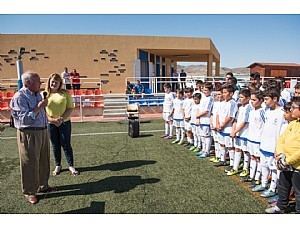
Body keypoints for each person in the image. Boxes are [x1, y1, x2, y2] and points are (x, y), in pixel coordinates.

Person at [9, 70, 55, 205]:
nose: (41, 83)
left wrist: (46, 129)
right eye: (38, 81)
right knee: (29, 163)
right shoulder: (20, 97)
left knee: (43, 161)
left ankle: (43, 185)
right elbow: (24, 120)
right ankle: (30, 192)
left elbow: (42, 115)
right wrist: (38, 107)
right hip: (29, 133)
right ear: (28, 83)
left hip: (42, 131)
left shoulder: (37, 95)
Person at [265, 96, 300, 214]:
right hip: (285, 162)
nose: (290, 110)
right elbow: (281, 139)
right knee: (283, 186)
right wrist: (280, 155)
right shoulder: (293, 123)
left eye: (294, 108)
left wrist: (287, 161)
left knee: (298, 191)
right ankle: (280, 206)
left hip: (296, 165)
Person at [252, 87, 285, 198]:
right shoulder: (266, 111)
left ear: (275, 99)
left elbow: (281, 132)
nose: (265, 102)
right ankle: (264, 184)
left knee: (274, 169)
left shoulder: (281, 113)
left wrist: (278, 147)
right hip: (264, 144)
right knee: (263, 165)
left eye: (267, 99)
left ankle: (272, 188)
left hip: (274, 146)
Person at [44, 73, 79, 176]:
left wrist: (61, 119)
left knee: (66, 144)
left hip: (64, 123)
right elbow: (43, 110)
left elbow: (70, 108)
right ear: (49, 82)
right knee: (55, 145)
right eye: (52, 81)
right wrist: (52, 119)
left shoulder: (65, 93)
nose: (54, 84)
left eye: (56, 82)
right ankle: (58, 165)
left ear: (60, 84)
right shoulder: (44, 94)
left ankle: (71, 165)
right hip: (51, 124)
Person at [228, 88, 251, 176]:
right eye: (239, 97)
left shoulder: (249, 108)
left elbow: (245, 122)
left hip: (245, 133)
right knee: (237, 149)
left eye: (242, 97)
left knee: (245, 151)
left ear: (248, 98)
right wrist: (234, 130)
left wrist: (235, 131)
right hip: (238, 132)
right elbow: (236, 120)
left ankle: (245, 169)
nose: (240, 99)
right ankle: (235, 167)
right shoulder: (240, 107)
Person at [215, 84, 238, 169]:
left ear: (231, 94)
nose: (223, 94)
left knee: (229, 146)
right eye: (223, 92)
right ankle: (222, 159)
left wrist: (223, 125)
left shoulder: (232, 103)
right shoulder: (222, 102)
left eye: (225, 92)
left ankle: (232, 163)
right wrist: (217, 124)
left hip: (228, 128)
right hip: (221, 127)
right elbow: (217, 114)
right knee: (222, 144)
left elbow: (231, 116)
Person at [197, 82, 214, 158]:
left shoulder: (210, 98)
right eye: (203, 90)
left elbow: (207, 110)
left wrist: (197, 116)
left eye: (206, 90)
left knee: (207, 136)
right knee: (202, 136)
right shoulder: (203, 97)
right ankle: (203, 150)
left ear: (210, 91)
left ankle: (207, 151)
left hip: (206, 119)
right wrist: (198, 117)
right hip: (202, 119)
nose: (204, 92)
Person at [209, 88, 224, 163]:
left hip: (220, 126)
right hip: (214, 125)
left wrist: (218, 125)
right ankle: (217, 156)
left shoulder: (224, 103)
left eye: (220, 94)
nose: (218, 96)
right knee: (216, 142)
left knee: (221, 143)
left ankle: (222, 158)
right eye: (217, 94)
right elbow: (212, 114)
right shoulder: (215, 103)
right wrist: (211, 123)